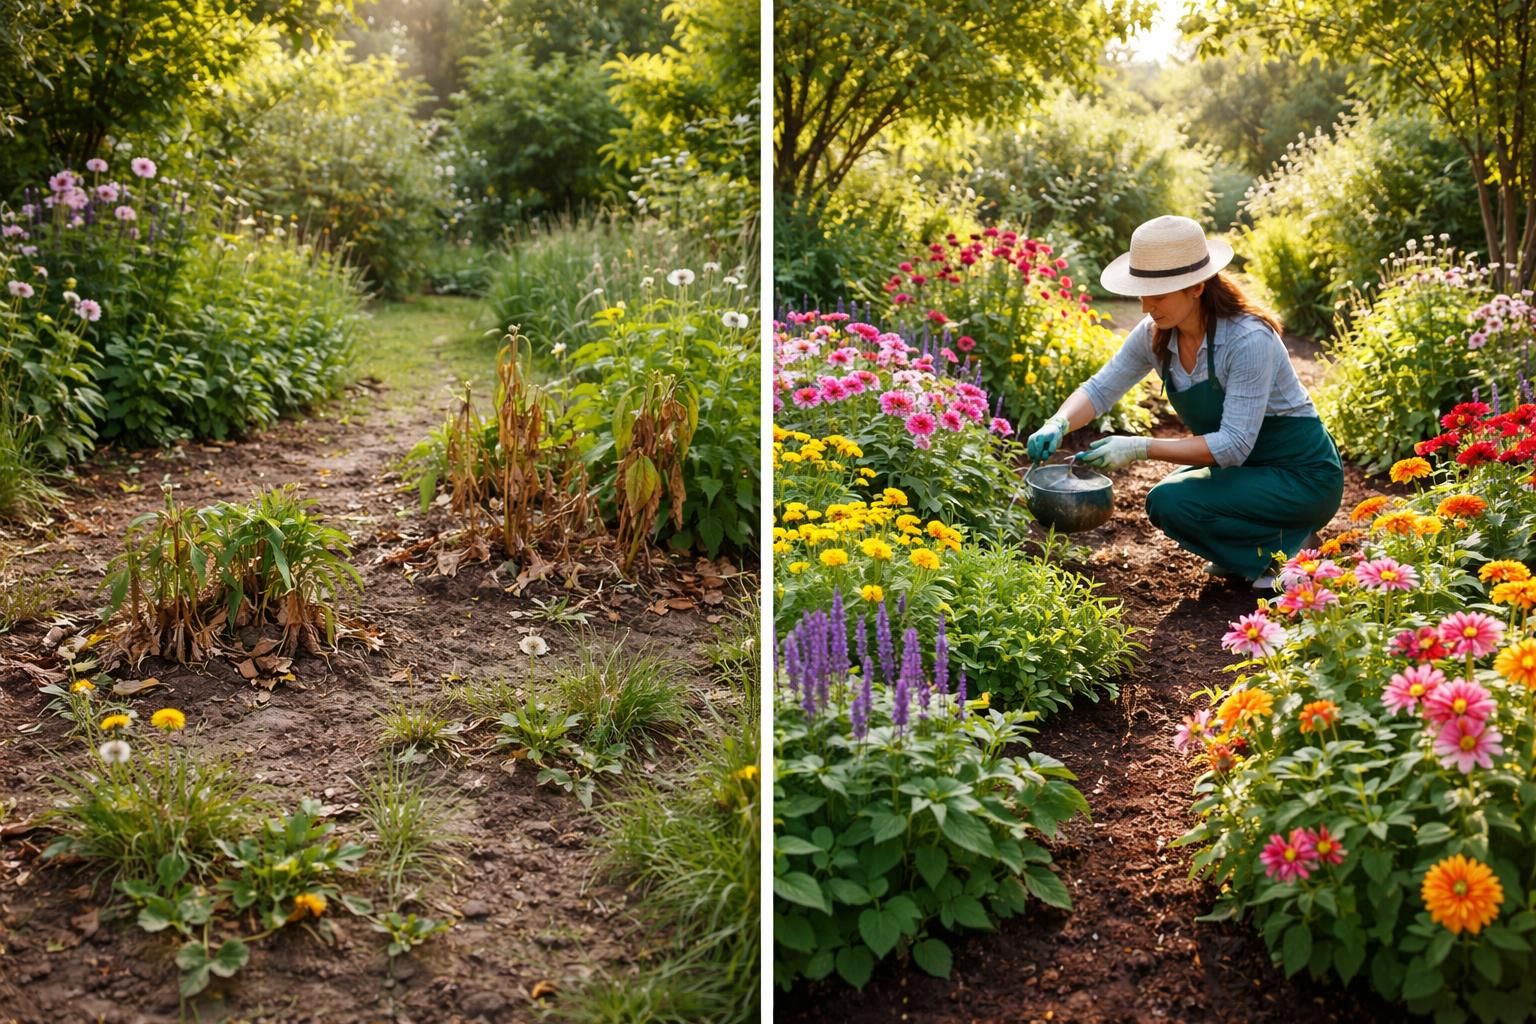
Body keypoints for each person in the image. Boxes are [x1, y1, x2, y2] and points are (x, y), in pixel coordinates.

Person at [1025, 215, 1343, 591]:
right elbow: (1100, 389)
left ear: (1196, 287)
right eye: (1141, 293)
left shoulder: (1247, 339)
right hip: (1245, 472)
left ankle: (1289, 553)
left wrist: (1139, 447)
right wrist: (1057, 423)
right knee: (1167, 503)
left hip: (1301, 477)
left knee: (1175, 498)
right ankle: (1258, 549)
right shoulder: (1155, 335)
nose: (1146, 306)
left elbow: (1235, 444)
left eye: (1157, 295)